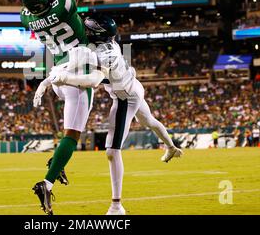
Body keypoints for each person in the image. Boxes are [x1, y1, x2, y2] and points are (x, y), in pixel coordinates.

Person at [34, 14, 182, 215]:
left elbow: (94, 80)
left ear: (97, 34)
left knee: (112, 151)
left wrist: (66, 78)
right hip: (131, 87)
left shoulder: (106, 52)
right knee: (149, 121)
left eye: (88, 30)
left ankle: (116, 206)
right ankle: (172, 147)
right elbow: (71, 64)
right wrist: (46, 82)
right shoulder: (99, 45)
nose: (84, 32)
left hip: (125, 97)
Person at [10, 0, 93, 215]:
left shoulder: (27, 16)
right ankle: (47, 182)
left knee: (70, 131)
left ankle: (58, 164)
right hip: (77, 72)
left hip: (56, 74)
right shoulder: (63, 6)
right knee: (73, 134)